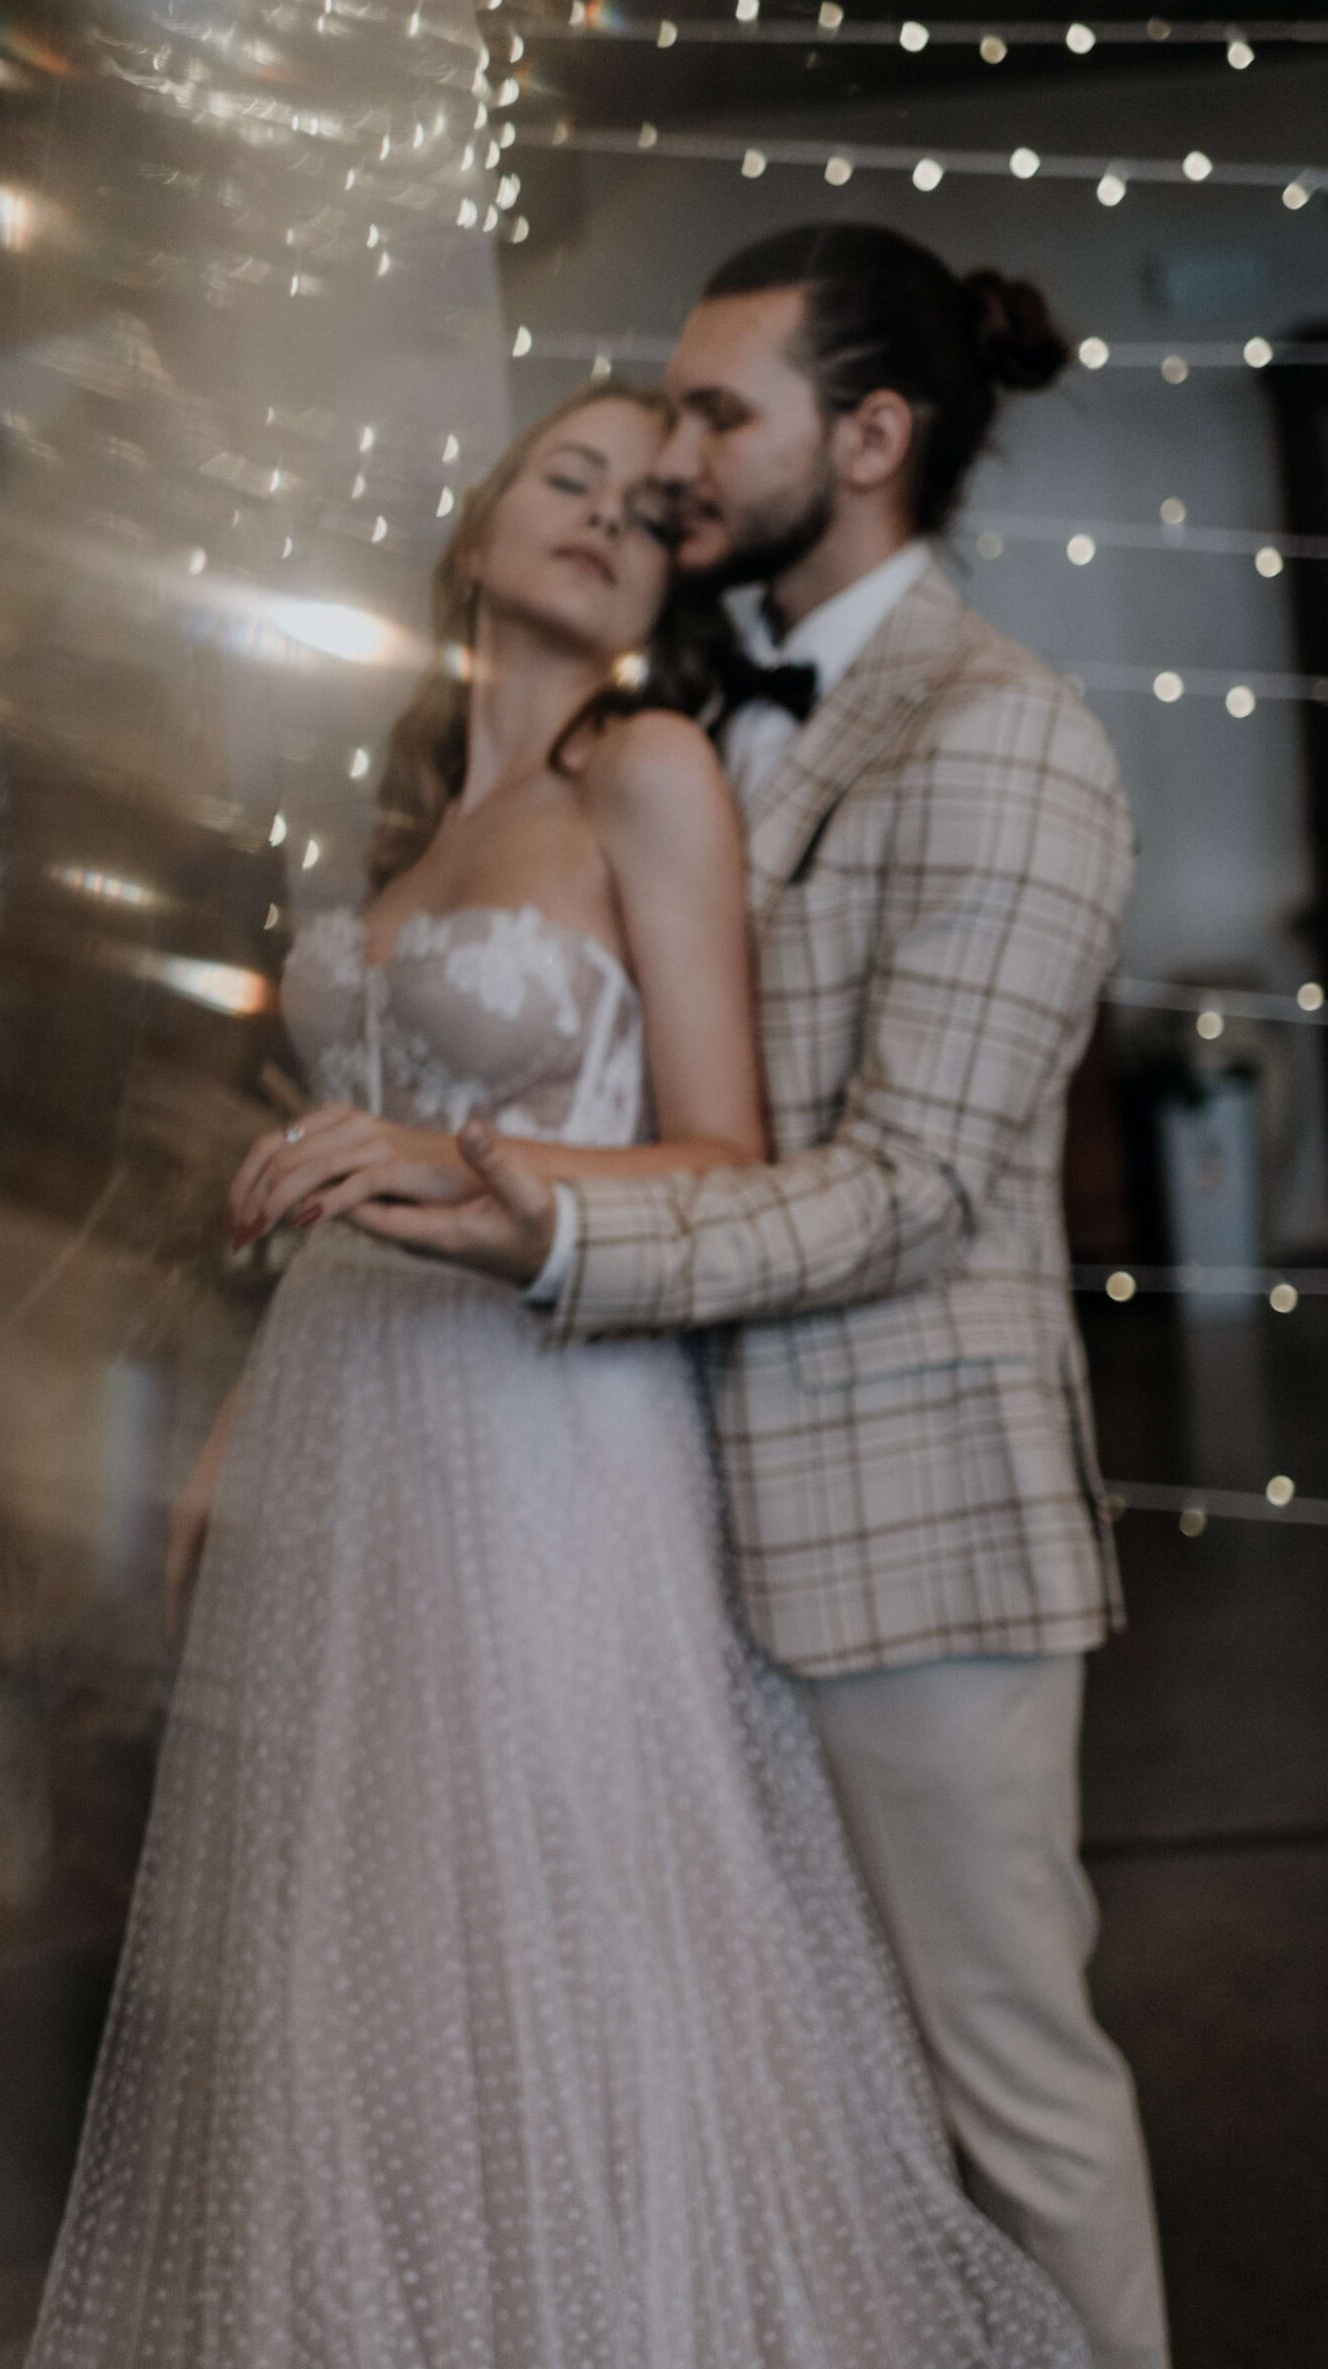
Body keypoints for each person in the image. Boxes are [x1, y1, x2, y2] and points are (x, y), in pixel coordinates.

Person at [26, 381, 1091, 2367]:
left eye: (651, 509)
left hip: (549, 1422)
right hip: (342, 1411)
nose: (609, 514)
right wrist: (239, 1429)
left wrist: (446, 1155)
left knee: (568, 1909)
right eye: (569, 475)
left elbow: (722, 1151)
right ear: (479, 526)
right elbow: (343, 1177)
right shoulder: (402, 822)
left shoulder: (645, 769)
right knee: (371, 1929)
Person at [313, 227, 1168, 2369]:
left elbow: (907, 1190)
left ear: (867, 438)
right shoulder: (683, 718)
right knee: (804, 2099)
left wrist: (538, 1220)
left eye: (716, 413)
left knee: (1008, 2088)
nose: (673, 461)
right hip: (654, 1521)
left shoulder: (1002, 730)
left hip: (906, 1536)